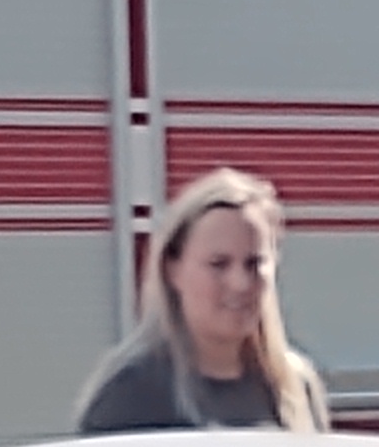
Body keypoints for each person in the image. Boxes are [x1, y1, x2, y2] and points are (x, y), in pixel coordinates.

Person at [76, 169, 331, 433]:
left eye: (254, 263)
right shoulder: (128, 394)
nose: (241, 283)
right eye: (218, 264)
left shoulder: (296, 387)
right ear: (172, 270)